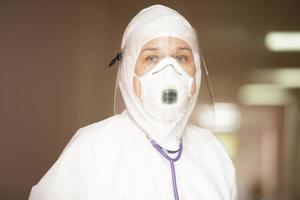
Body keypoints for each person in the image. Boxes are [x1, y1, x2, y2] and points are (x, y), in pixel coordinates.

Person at [29, 4, 237, 200]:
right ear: (129, 69)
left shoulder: (211, 152)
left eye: (181, 58)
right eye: (151, 58)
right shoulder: (93, 148)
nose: (169, 71)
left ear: (197, 71)